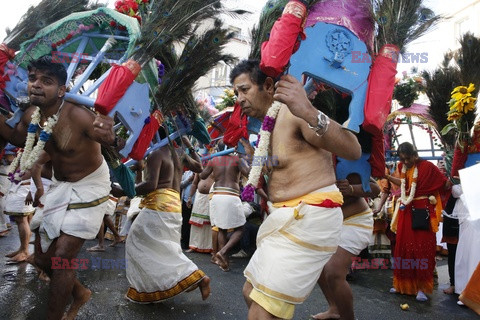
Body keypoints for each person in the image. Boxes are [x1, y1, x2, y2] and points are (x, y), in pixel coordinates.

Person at [230, 59, 361, 319]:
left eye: (244, 90)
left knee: (263, 309)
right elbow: (284, 166)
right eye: (236, 93)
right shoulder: (269, 125)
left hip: (309, 217)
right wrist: (255, 161)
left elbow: (353, 149)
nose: (239, 98)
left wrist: (308, 111)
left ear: (268, 85)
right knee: (250, 292)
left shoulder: (294, 114)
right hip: (282, 220)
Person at [0, 56, 116, 320]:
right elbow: (17, 137)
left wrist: (112, 135)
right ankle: (80, 293)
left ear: (62, 90)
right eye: (33, 79)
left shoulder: (79, 114)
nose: (36, 85)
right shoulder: (31, 113)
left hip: (90, 184)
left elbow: (110, 141)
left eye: (47, 81)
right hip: (61, 185)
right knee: (40, 259)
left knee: (63, 256)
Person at [113, 133, 211, 303]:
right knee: (164, 247)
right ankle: (154, 288)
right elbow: (199, 167)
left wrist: (123, 191)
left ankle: (196, 277)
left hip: (158, 205)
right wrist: (189, 146)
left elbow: (151, 185)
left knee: (135, 242)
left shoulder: (156, 155)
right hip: (174, 206)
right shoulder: (180, 153)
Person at [388, 142, 451, 302]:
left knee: (422, 249)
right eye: (403, 159)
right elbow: (403, 185)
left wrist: (454, 178)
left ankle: (422, 288)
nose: (406, 162)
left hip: (422, 212)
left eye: (408, 158)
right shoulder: (402, 167)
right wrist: (387, 177)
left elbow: (443, 184)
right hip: (406, 211)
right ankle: (402, 285)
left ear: (415, 155)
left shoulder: (428, 166)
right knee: (402, 247)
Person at [312, 175, 380, 320]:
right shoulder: (307, 161)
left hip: (355, 221)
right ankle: (334, 308)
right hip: (328, 224)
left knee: (334, 271)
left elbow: (375, 188)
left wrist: (351, 189)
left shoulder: (341, 159)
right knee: (316, 265)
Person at [199, 150, 250, 271]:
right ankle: (222, 252)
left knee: (222, 228)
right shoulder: (237, 160)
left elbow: (202, 175)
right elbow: (247, 173)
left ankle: (224, 263)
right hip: (231, 195)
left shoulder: (214, 160)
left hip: (217, 195)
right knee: (241, 228)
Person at [187, 172, 214, 253]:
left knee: (211, 223)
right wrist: (190, 197)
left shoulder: (216, 166)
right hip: (199, 197)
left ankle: (211, 247)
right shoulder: (199, 168)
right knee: (195, 222)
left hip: (212, 197)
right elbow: (194, 183)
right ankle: (193, 246)